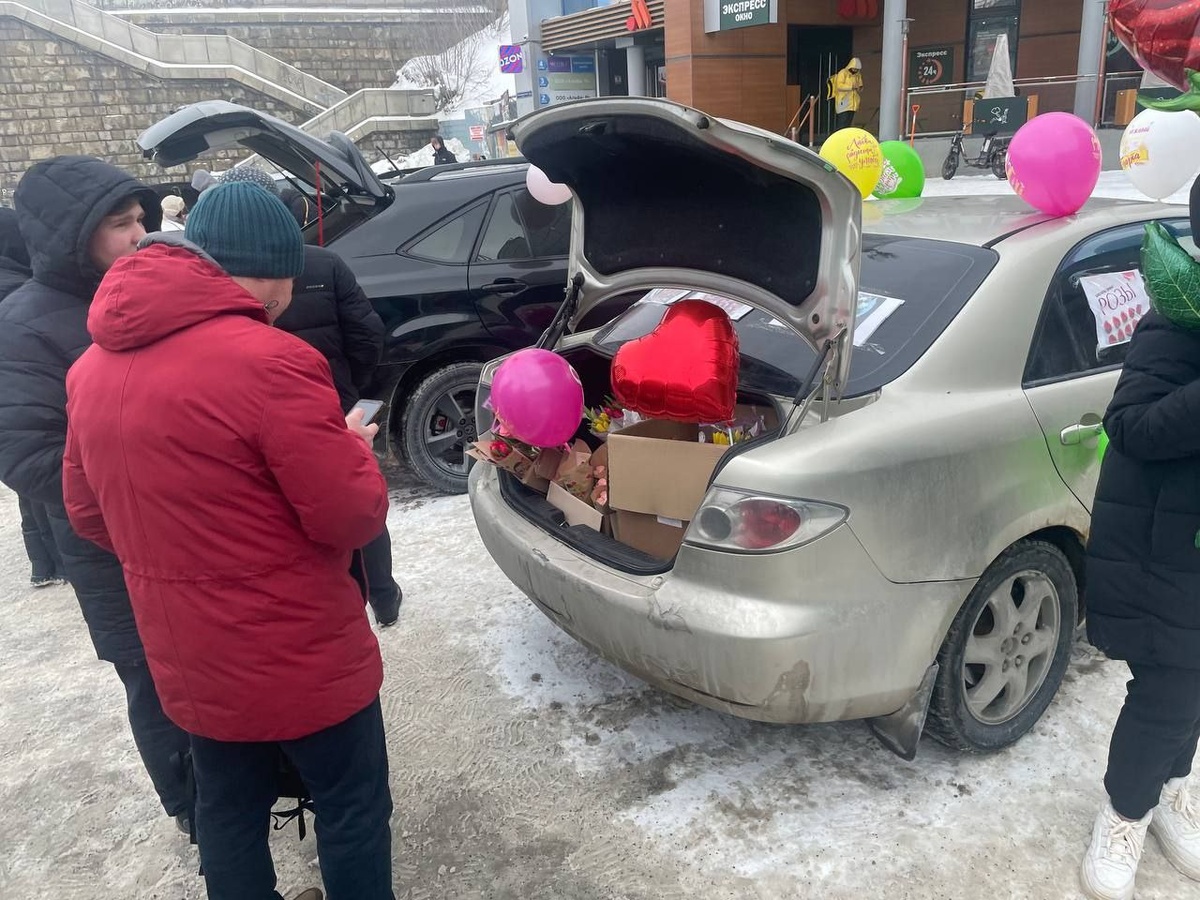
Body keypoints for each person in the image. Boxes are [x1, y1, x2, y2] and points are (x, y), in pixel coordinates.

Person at [63, 181, 395, 900]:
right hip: (300, 651)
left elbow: (88, 515)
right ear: (272, 273)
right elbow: (351, 518)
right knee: (352, 805)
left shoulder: (89, 369)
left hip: (190, 656)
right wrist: (352, 452)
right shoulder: (273, 361)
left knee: (227, 810)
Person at [0, 157, 193, 829]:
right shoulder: (21, 326)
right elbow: (27, 455)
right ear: (72, 236)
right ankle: (192, 811)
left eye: (141, 218)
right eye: (120, 224)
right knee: (153, 681)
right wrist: (143, 489)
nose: (140, 234)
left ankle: (247, 787)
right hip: (110, 549)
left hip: (193, 529)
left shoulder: (156, 292)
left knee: (218, 664)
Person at [212, 166, 403, 627]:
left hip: (260, 419)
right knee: (357, 500)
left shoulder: (218, 279)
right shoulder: (323, 262)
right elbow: (367, 334)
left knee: (302, 509)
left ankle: (344, 596)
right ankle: (383, 597)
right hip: (337, 405)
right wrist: (350, 387)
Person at [1079, 179, 1200, 900]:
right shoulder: (1179, 320)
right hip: (1166, 551)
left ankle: (1174, 785)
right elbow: (1131, 427)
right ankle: (1124, 814)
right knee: (1169, 690)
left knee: (1193, 685)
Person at [0, 208, 66, 588]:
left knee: (24, 486)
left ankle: (41, 564)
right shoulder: (18, 289)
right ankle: (54, 561)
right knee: (42, 488)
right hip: (27, 389)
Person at [829, 58, 863, 132]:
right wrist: (851, 87)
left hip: (853, 104)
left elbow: (860, 85)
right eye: (854, 69)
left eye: (857, 69)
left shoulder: (857, 75)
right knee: (842, 124)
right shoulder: (843, 73)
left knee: (848, 124)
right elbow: (839, 86)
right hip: (844, 102)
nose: (855, 70)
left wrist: (859, 88)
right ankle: (838, 137)